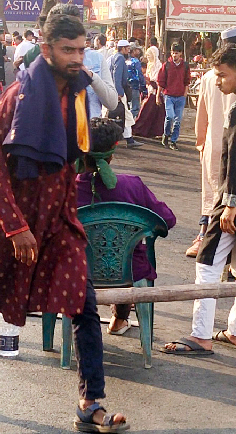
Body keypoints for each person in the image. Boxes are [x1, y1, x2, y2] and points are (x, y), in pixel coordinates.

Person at [0, 10, 129, 433]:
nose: (78, 57)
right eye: (68, 50)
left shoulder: (78, 95)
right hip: (13, 220)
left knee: (84, 304)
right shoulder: (17, 96)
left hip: (59, 217)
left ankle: (91, 402)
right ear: (46, 50)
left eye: (81, 49)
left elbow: (71, 159)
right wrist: (15, 227)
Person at [162, 43, 236, 355]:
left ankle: (201, 335)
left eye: (222, 76)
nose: (218, 82)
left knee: (208, 262)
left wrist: (230, 204)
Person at [76, 117, 176, 335]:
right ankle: (120, 319)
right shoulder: (133, 185)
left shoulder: (64, 189)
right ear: (112, 153)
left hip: (77, 270)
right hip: (129, 271)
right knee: (128, 254)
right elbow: (168, 220)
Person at [187, 26, 236, 260]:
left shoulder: (210, 76)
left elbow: (200, 116)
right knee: (232, 197)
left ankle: (204, 236)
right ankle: (223, 245)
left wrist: (201, 143)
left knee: (212, 194)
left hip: (213, 145)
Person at [105, 39, 144, 149]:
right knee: (124, 115)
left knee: (125, 115)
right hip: (118, 91)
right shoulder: (120, 58)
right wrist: (119, 92)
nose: (128, 51)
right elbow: (117, 76)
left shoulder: (113, 58)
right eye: (127, 48)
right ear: (122, 49)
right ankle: (127, 139)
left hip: (114, 90)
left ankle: (129, 138)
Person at [157, 43, 191, 150]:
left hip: (180, 96)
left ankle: (173, 140)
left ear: (181, 54)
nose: (174, 55)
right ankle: (166, 134)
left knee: (178, 119)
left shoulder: (185, 66)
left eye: (176, 53)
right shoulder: (166, 65)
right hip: (169, 96)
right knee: (170, 116)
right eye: (173, 53)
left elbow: (187, 81)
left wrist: (185, 94)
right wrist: (158, 95)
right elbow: (161, 82)